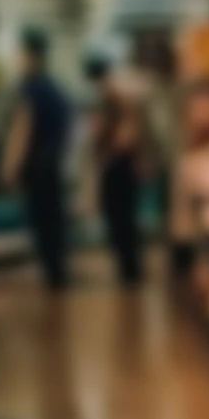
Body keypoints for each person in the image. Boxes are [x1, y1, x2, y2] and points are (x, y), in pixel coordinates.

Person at [0, 28, 73, 289]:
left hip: (38, 168)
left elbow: (23, 129)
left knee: (43, 222)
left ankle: (52, 275)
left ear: (31, 55)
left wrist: (10, 166)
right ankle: (57, 272)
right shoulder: (54, 89)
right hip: (51, 167)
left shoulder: (31, 88)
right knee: (54, 220)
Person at [87, 58, 147, 286]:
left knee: (121, 219)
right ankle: (129, 268)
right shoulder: (119, 97)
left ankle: (129, 270)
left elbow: (112, 132)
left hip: (117, 165)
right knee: (124, 218)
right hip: (120, 165)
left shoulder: (112, 98)